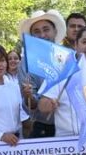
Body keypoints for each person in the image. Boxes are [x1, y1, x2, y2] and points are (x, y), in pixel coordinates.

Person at [16, 9, 66, 139]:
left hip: (71, 126)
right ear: (32, 36)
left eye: (46, 29)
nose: (42, 35)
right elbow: (30, 105)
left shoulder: (68, 58)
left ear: (55, 31)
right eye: (36, 32)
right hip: (44, 128)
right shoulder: (26, 63)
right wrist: (29, 97)